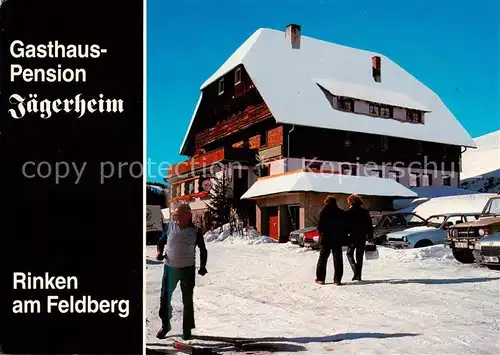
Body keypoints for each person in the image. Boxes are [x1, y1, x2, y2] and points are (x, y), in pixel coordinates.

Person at [156, 204, 208, 340]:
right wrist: (159, 252)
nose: (176, 217)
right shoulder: (170, 226)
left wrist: (203, 266)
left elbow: (203, 250)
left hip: (187, 270)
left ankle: (187, 329)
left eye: (179, 215)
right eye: (175, 215)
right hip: (170, 269)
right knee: (164, 298)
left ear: (188, 215)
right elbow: (161, 242)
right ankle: (165, 324)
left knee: (187, 301)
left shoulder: (195, 231)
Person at [315, 195, 348, 285]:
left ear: (326, 202)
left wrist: (322, 234)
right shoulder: (341, 212)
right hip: (337, 238)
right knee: (338, 258)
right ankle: (337, 280)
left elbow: (320, 227)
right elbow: (345, 227)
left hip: (326, 238)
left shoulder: (324, 212)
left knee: (323, 258)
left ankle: (320, 279)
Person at [345, 194, 373, 281]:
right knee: (359, 256)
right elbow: (369, 225)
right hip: (362, 236)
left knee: (349, 254)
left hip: (352, 237)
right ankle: (358, 275)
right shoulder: (365, 212)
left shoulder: (348, 212)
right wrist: (370, 236)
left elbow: (345, 226)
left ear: (350, 202)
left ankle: (356, 271)